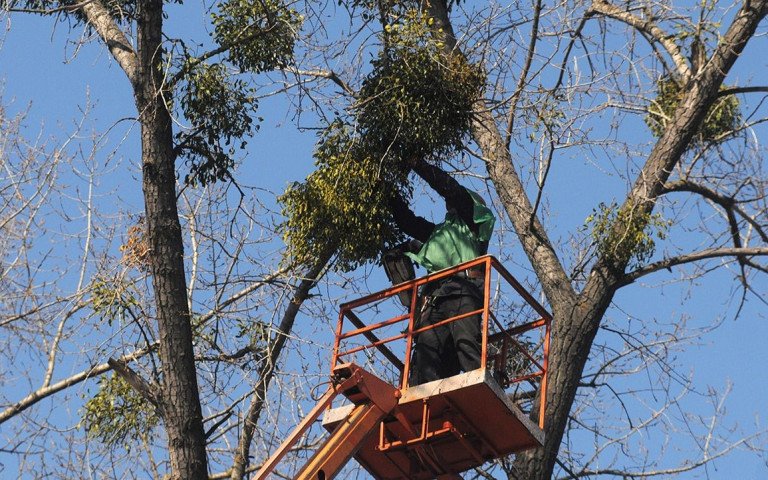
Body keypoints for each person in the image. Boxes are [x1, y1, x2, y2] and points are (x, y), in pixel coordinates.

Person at [388, 162, 495, 386]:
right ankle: (423, 391)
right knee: (427, 346)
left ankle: (479, 386)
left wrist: (415, 161)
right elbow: (408, 222)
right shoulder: (438, 234)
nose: (448, 204)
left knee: (465, 342)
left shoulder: (471, 223)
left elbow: (450, 188)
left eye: (452, 202)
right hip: (437, 297)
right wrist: (387, 189)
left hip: (464, 291)